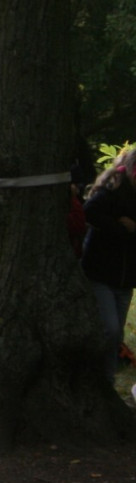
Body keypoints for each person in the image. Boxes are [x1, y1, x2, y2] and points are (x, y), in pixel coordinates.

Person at [81, 146, 136, 386]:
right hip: (101, 273)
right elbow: (89, 212)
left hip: (126, 278)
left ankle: (107, 382)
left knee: (116, 333)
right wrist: (120, 228)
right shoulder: (113, 189)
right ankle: (102, 380)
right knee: (110, 329)